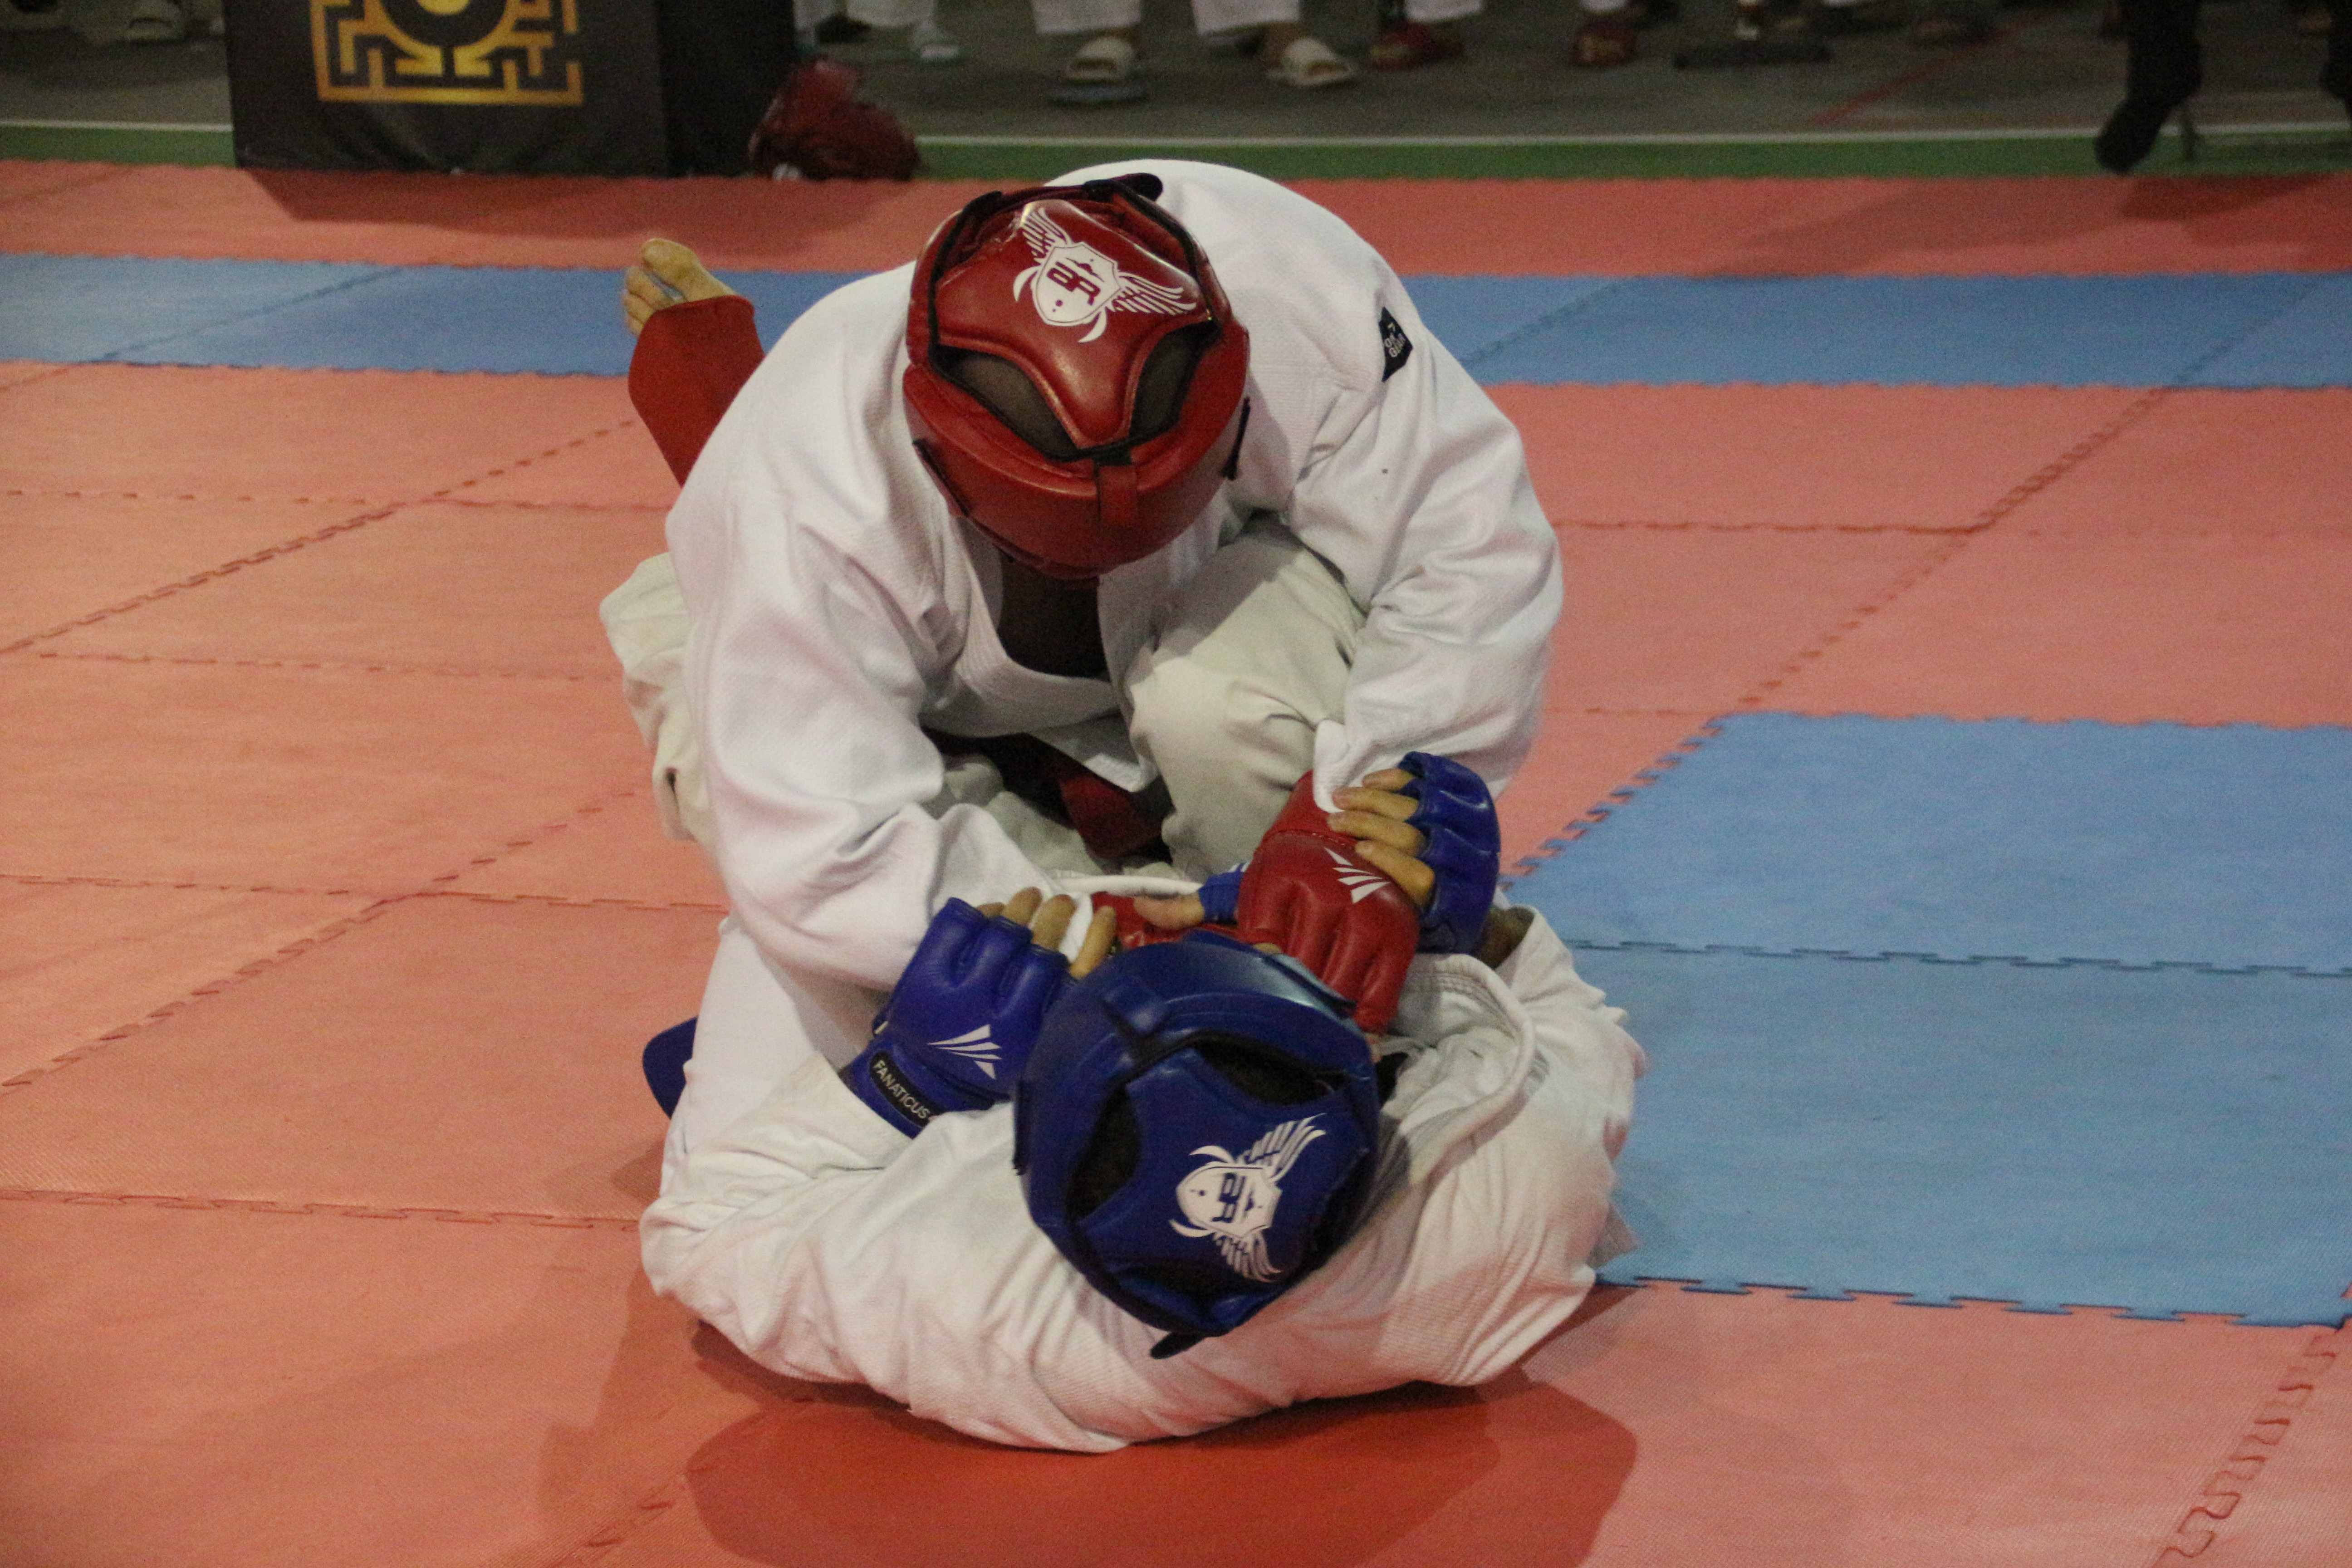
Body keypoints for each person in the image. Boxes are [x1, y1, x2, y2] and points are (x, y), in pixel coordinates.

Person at [603, 161, 1562, 1170]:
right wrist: (1134, 960)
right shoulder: (806, 491)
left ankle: (1322, 987)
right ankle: (1188, 986)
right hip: (910, 693)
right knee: (737, 1101)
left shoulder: (1290, 289)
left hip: (1201, 633)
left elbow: (1468, 557)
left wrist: (1371, 821)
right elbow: (819, 858)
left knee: (1224, 710)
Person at [639, 766, 1645, 1450]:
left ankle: (871, 1033)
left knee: (786, 896)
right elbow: (1572, 1022)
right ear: (1363, 1091)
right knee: (1337, 834)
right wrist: (1464, 931)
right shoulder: (1509, 1183)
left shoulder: (982, 1306)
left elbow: (703, 1234)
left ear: (1023, 1149)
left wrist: (908, 1085)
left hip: (882, 1175)